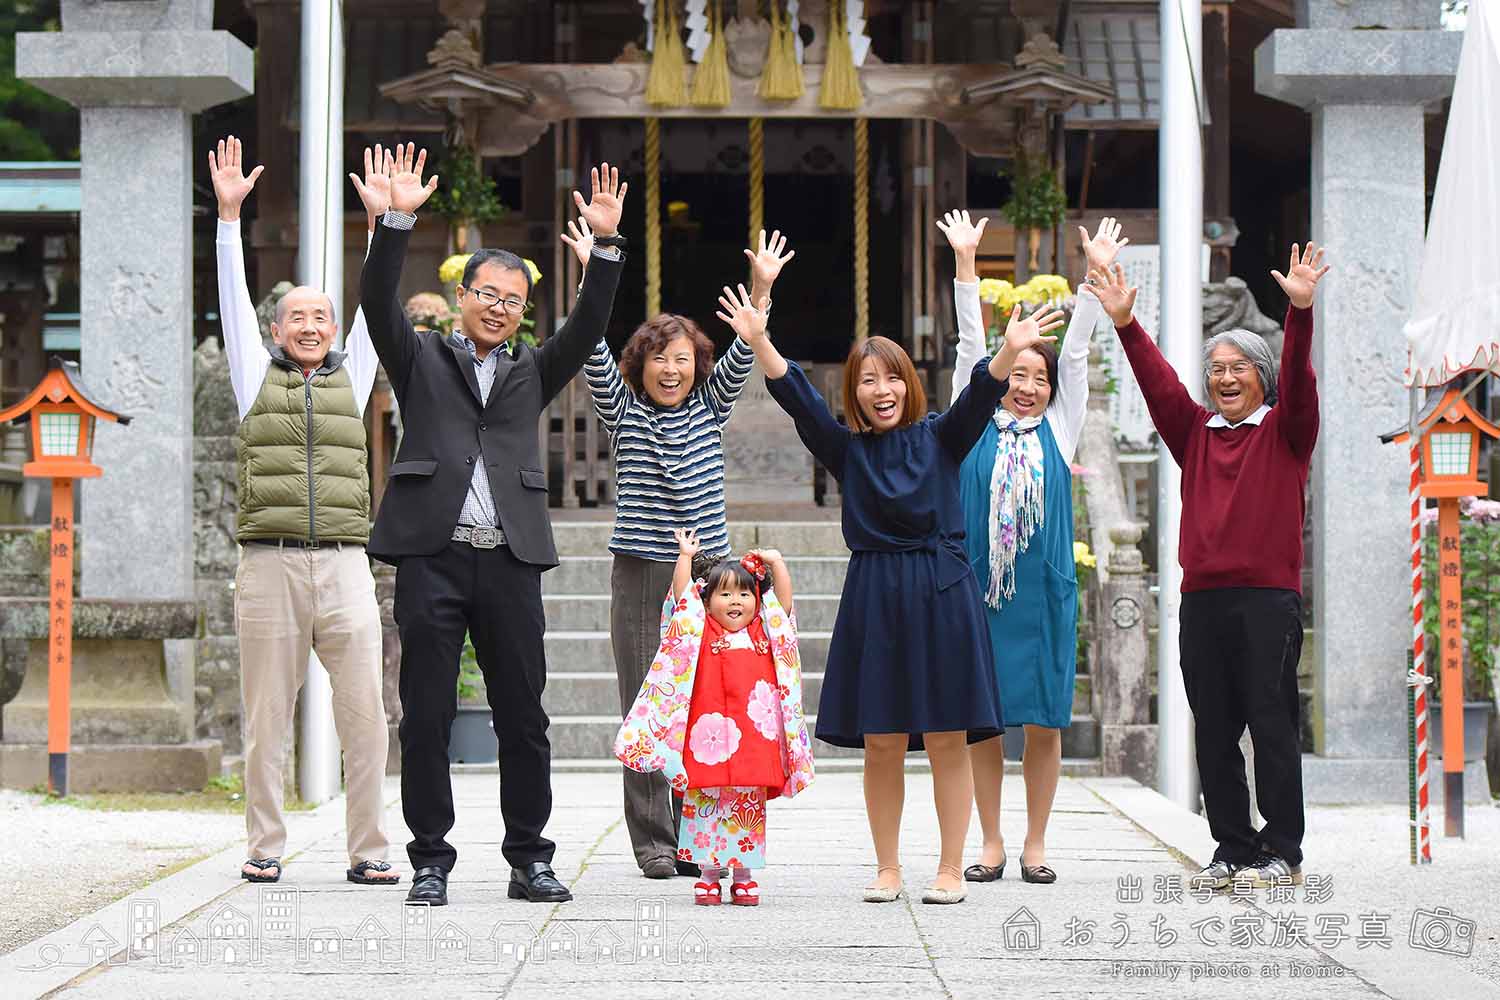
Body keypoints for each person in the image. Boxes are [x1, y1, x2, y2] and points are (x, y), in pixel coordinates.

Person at [723, 280, 1065, 904]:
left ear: (909, 383)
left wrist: (1007, 349)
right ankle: (887, 867)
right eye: (866, 380)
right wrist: (760, 339)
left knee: (945, 736)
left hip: (942, 590)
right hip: (875, 591)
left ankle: (950, 867)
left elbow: (979, 396)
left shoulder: (941, 436)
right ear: (853, 391)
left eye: (892, 378)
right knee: (881, 740)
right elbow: (799, 401)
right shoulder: (847, 451)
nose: (881, 391)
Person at [359, 143, 627, 907]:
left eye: (512, 299)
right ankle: (430, 862)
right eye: (488, 294)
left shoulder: (533, 369)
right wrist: (397, 221)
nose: (499, 307)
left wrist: (604, 247)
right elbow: (379, 301)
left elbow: (589, 324)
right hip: (432, 556)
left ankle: (528, 858)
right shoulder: (420, 361)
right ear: (463, 296)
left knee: (524, 716)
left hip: (509, 558)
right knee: (427, 716)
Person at [1088, 243, 1329, 890]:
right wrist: (1125, 324)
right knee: (1215, 730)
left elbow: (1302, 381)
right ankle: (1232, 846)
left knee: (1271, 725)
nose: (1223, 378)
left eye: (1237, 369)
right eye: (1215, 368)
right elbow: (1160, 384)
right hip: (1203, 601)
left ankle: (1284, 849)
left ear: (1261, 377)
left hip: (1267, 600)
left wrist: (1300, 312)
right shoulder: (1195, 433)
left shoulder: (1287, 431)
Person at [564, 220, 795, 879]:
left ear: (698, 364)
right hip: (641, 573)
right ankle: (653, 841)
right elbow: (590, 350)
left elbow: (746, 351)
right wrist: (593, 274)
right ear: (641, 365)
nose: (672, 368)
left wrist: (762, 289)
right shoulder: (623, 409)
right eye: (659, 358)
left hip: (711, 579)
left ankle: (698, 831)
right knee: (647, 700)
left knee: (705, 701)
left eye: (683, 357)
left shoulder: (710, 407)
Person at [211, 136, 398, 887]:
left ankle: (369, 851)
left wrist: (385, 227)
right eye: (299, 316)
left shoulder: (354, 379)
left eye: (322, 314)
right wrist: (230, 220)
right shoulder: (254, 374)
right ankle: (264, 846)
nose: (314, 324)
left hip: (348, 564)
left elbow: (373, 307)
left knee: (366, 718)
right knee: (266, 721)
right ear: (278, 328)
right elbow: (230, 302)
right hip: (268, 564)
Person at [942, 212, 1124, 885]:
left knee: (1044, 722)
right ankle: (989, 841)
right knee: (983, 724)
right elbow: (968, 347)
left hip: (1043, 593)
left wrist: (1095, 271)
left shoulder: (1061, 426)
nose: (1025, 385)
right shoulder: (970, 420)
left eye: (1037, 378)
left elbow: (1075, 352)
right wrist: (966, 263)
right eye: (1016, 373)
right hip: (978, 594)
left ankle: (1036, 842)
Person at [613, 528, 813, 907]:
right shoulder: (698, 630)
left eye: (743, 593)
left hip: (752, 741)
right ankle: (707, 873)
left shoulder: (764, 631)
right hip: (707, 742)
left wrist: (777, 563)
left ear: (756, 600)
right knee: (704, 806)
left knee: (747, 809)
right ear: (707, 601)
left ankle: (742, 875)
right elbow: (681, 598)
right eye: (724, 594)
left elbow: (783, 606)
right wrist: (685, 558)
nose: (735, 601)